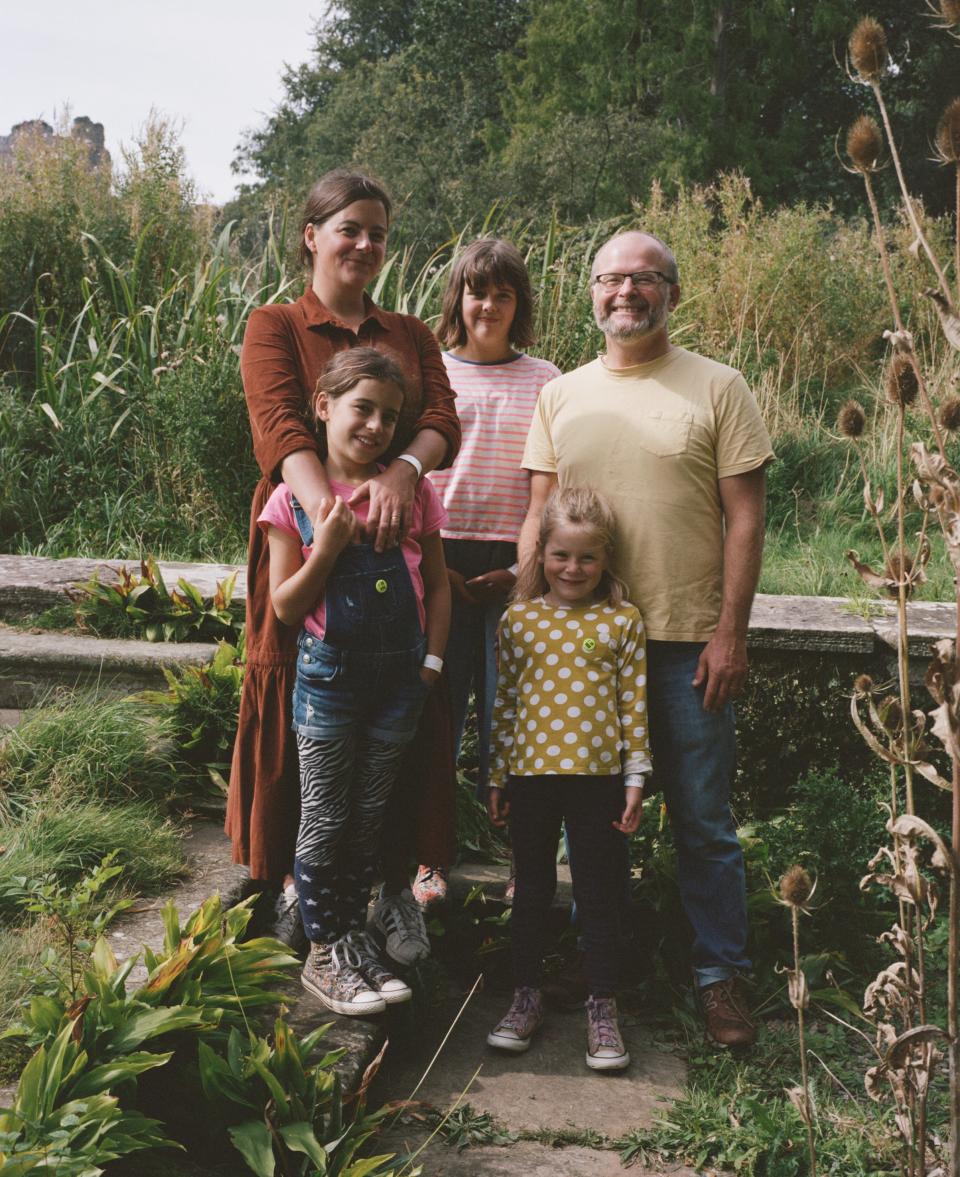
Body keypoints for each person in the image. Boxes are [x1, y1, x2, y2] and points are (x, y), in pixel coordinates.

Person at [519, 231, 774, 1049]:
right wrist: (521, 614)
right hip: (583, 651)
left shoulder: (718, 386)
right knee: (590, 823)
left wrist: (730, 632)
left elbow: (745, 515)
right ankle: (605, 965)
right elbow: (540, 512)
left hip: (686, 643)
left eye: (644, 280)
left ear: (671, 291)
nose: (625, 293)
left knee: (702, 819)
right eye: (610, 279)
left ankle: (718, 977)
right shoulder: (563, 394)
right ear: (590, 292)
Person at [226, 170, 461, 966]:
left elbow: (438, 420)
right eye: (349, 229)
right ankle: (301, 891)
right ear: (312, 234)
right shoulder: (278, 323)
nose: (365, 245)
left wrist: (403, 473)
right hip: (310, 534)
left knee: (393, 725)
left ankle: (391, 887)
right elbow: (279, 424)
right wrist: (332, 517)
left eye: (378, 234)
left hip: (399, 551)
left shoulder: (410, 332)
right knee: (309, 713)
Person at [260, 348, 450, 1014]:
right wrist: (331, 545)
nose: (375, 426)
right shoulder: (293, 500)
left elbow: (438, 583)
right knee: (325, 816)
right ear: (324, 407)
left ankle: (355, 938)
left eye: (389, 416)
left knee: (370, 816)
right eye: (361, 408)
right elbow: (285, 605)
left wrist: (431, 661)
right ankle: (324, 950)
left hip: (400, 681)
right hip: (330, 683)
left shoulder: (414, 491)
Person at [485, 486, 650, 1070]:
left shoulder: (621, 623)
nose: (572, 568)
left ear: (605, 561)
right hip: (530, 780)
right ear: (542, 554)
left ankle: (602, 1007)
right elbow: (503, 704)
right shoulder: (519, 621)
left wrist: (635, 780)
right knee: (530, 891)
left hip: (599, 781)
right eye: (560, 555)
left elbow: (634, 708)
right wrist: (497, 775)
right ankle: (524, 996)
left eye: (586, 558)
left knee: (598, 893)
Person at [417, 239, 560, 907]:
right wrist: (438, 568)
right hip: (438, 559)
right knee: (439, 711)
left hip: (516, 561)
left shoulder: (545, 379)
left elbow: (545, 488)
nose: (489, 306)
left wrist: (522, 570)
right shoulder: (430, 373)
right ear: (459, 300)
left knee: (509, 716)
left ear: (519, 305)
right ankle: (429, 856)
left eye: (504, 294)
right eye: (478, 292)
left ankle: (512, 856)